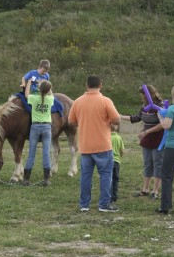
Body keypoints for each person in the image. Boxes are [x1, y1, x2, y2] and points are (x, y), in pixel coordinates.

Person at [68, 75, 120, 212]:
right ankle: (104, 204)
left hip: (85, 146)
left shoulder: (78, 102)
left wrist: (83, 122)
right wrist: (107, 121)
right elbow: (116, 120)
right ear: (100, 85)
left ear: (87, 85)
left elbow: (71, 121)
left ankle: (84, 204)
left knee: (86, 176)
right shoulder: (105, 101)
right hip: (103, 145)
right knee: (105, 175)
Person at [121, 84, 164, 199]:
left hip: (158, 139)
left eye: (142, 94)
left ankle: (155, 191)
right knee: (147, 163)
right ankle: (145, 189)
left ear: (148, 94)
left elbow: (163, 124)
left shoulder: (160, 106)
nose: (141, 96)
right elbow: (136, 118)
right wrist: (119, 116)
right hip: (146, 139)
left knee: (157, 163)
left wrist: (146, 132)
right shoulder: (144, 106)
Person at [23, 78, 54, 186]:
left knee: (31, 153)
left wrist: (29, 83)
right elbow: (50, 93)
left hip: (35, 127)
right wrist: (43, 84)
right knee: (46, 153)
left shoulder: (34, 98)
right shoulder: (50, 99)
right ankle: (46, 179)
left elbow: (26, 94)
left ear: (39, 89)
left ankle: (26, 179)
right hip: (47, 127)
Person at [156, 84, 174, 214]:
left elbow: (166, 125)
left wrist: (160, 117)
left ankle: (165, 206)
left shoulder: (172, 109)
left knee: (167, 176)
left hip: (173, 147)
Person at [111, 124, 124, 202]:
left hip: (107, 161)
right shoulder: (119, 138)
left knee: (109, 179)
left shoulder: (106, 137)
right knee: (115, 179)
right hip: (116, 161)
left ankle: (109, 195)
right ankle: (115, 195)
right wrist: (120, 157)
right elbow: (122, 150)